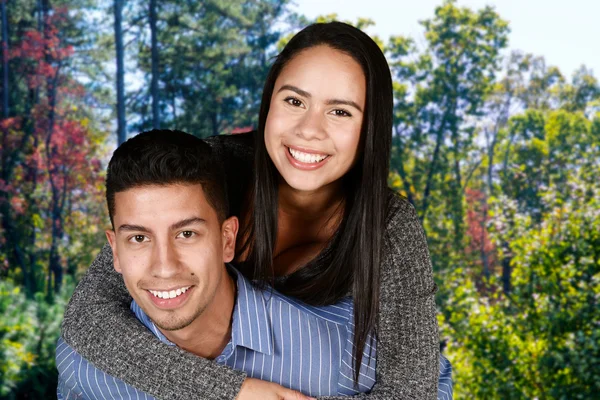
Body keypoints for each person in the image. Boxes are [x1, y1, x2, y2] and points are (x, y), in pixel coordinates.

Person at [61, 21, 448, 399]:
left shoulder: (390, 228)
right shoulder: (212, 170)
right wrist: (235, 392)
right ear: (269, 104)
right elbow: (88, 317)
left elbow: (411, 387)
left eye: (340, 111)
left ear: (371, 128)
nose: (309, 130)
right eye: (294, 101)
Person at [56, 129, 379, 399]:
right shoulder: (83, 366)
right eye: (139, 239)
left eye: (186, 233)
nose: (164, 267)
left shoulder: (344, 349)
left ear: (227, 239)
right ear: (114, 250)